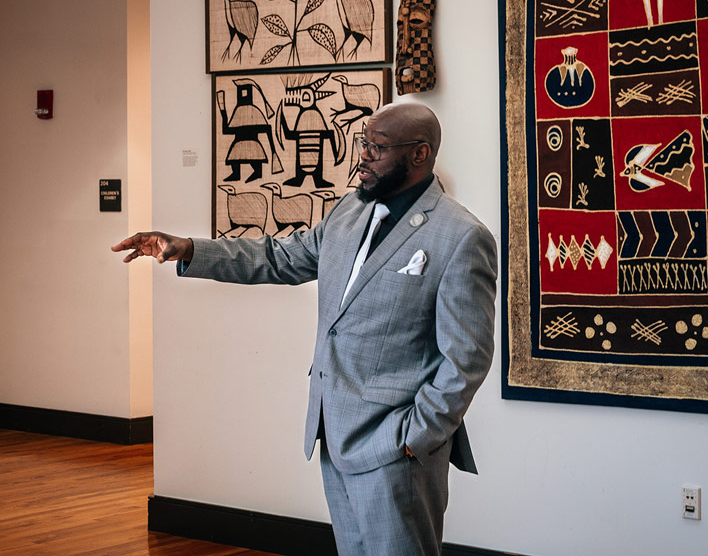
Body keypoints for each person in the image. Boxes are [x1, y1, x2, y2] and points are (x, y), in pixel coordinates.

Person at [112, 102, 497, 556]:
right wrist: (190, 249)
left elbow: (467, 357)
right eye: (362, 143)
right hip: (333, 432)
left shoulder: (460, 236)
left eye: (377, 147)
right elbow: (281, 257)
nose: (363, 156)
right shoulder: (350, 211)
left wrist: (416, 437)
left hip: (396, 448)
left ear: (419, 155)